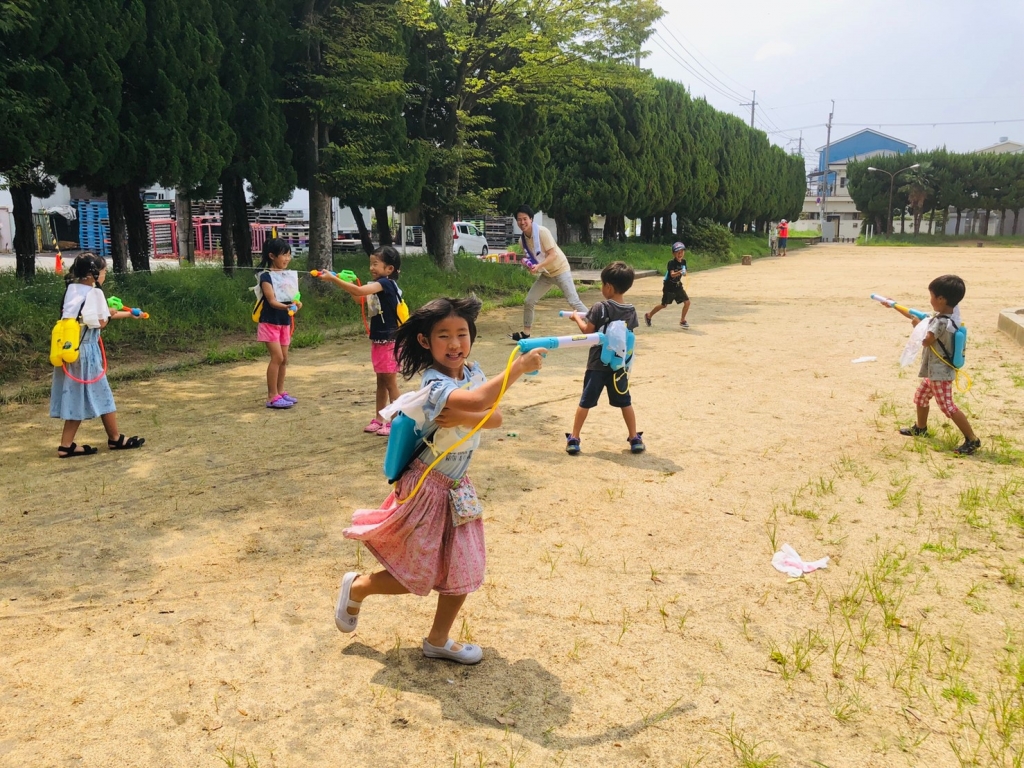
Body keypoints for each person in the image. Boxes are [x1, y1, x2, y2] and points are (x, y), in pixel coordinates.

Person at [334, 297, 545, 664]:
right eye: (443, 335)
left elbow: (494, 417)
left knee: (464, 568)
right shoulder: (434, 386)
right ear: (425, 342)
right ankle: (358, 587)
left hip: (458, 487)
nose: (455, 343)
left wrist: (473, 415)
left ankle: (438, 639)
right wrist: (516, 369)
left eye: (461, 334)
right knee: (419, 571)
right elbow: (482, 402)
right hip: (426, 487)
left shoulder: (472, 373)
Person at [50, 252, 146, 457]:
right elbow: (101, 322)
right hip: (86, 352)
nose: (104, 276)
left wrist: (128, 313)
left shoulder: (72, 289)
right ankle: (112, 439)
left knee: (79, 395)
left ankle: (72, 444)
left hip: (70, 348)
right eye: (103, 272)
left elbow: (89, 317)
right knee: (100, 394)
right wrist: (109, 314)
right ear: (93, 274)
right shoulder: (95, 293)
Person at [316, 245, 404, 436]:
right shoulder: (378, 285)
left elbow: (360, 291)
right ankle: (380, 418)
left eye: (376, 264)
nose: (371, 267)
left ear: (389, 269)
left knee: (390, 383)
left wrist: (333, 279)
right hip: (379, 340)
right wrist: (345, 283)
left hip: (389, 341)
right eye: (370, 263)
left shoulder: (386, 284)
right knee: (381, 382)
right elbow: (360, 298)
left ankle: (396, 421)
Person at [564, 261, 644, 455]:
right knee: (625, 401)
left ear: (608, 286)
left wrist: (576, 318)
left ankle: (574, 437)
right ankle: (634, 437)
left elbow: (587, 332)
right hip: (619, 367)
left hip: (597, 365)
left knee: (585, 401)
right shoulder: (630, 311)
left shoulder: (600, 307)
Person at [897, 274, 981, 455]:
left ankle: (972, 439)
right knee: (921, 397)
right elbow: (912, 313)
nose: (930, 300)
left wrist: (917, 325)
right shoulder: (947, 317)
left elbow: (926, 340)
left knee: (947, 407)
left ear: (941, 299)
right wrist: (893, 305)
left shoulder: (940, 322)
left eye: (932, 296)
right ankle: (920, 427)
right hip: (933, 372)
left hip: (940, 373)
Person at [508, 205, 588, 342]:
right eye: (519, 219)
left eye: (525, 219)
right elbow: (534, 259)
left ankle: (598, 324)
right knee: (529, 301)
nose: (522, 222)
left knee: (574, 302)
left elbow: (553, 255)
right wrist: (532, 267)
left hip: (560, 269)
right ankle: (526, 333)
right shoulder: (522, 241)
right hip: (546, 274)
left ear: (531, 219)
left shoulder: (542, 232)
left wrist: (538, 265)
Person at [256, 238, 301, 409]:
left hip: (284, 322)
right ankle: (271, 396)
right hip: (269, 322)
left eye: (289, 255)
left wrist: (296, 304)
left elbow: (294, 298)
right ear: (272, 256)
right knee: (277, 357)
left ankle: (281, 391)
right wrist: (287, 306)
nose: (287, 259)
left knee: (285, 359)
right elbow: (272, 300)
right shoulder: (266, 277)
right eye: (284, 255)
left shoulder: (287, 276)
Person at [643, 242, 691, 329]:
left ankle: (682, 320)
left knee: (687, 302)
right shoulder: (671, 263)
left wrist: (684, 272)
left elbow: (684, 272)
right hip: (669, 287)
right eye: (678, 252)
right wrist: (680, 272)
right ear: (673, 253)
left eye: (682, 252)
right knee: (664, 305)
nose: (680, 254)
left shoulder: (684, 262)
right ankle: (649, 315)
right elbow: (672, 274)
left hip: (678, 286)